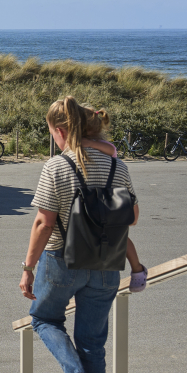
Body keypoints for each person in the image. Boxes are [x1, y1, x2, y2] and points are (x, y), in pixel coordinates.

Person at [20, 96, 140, 373]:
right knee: (92, 344)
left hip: (62, 260)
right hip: (106, 262)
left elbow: (44, 224)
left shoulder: (56, 167)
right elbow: (133, 218)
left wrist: (28, 269)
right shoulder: (118, 166)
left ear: (60, 130)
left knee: (44, 319)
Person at [79, 106, 148, 292]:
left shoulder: (106, 148)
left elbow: (110, 150)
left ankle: (137, 270)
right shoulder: (106, 151)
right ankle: (137, 270)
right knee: (122, 238)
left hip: (103, 205)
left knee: (123, 239)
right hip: (108, 206)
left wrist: (87, 143)